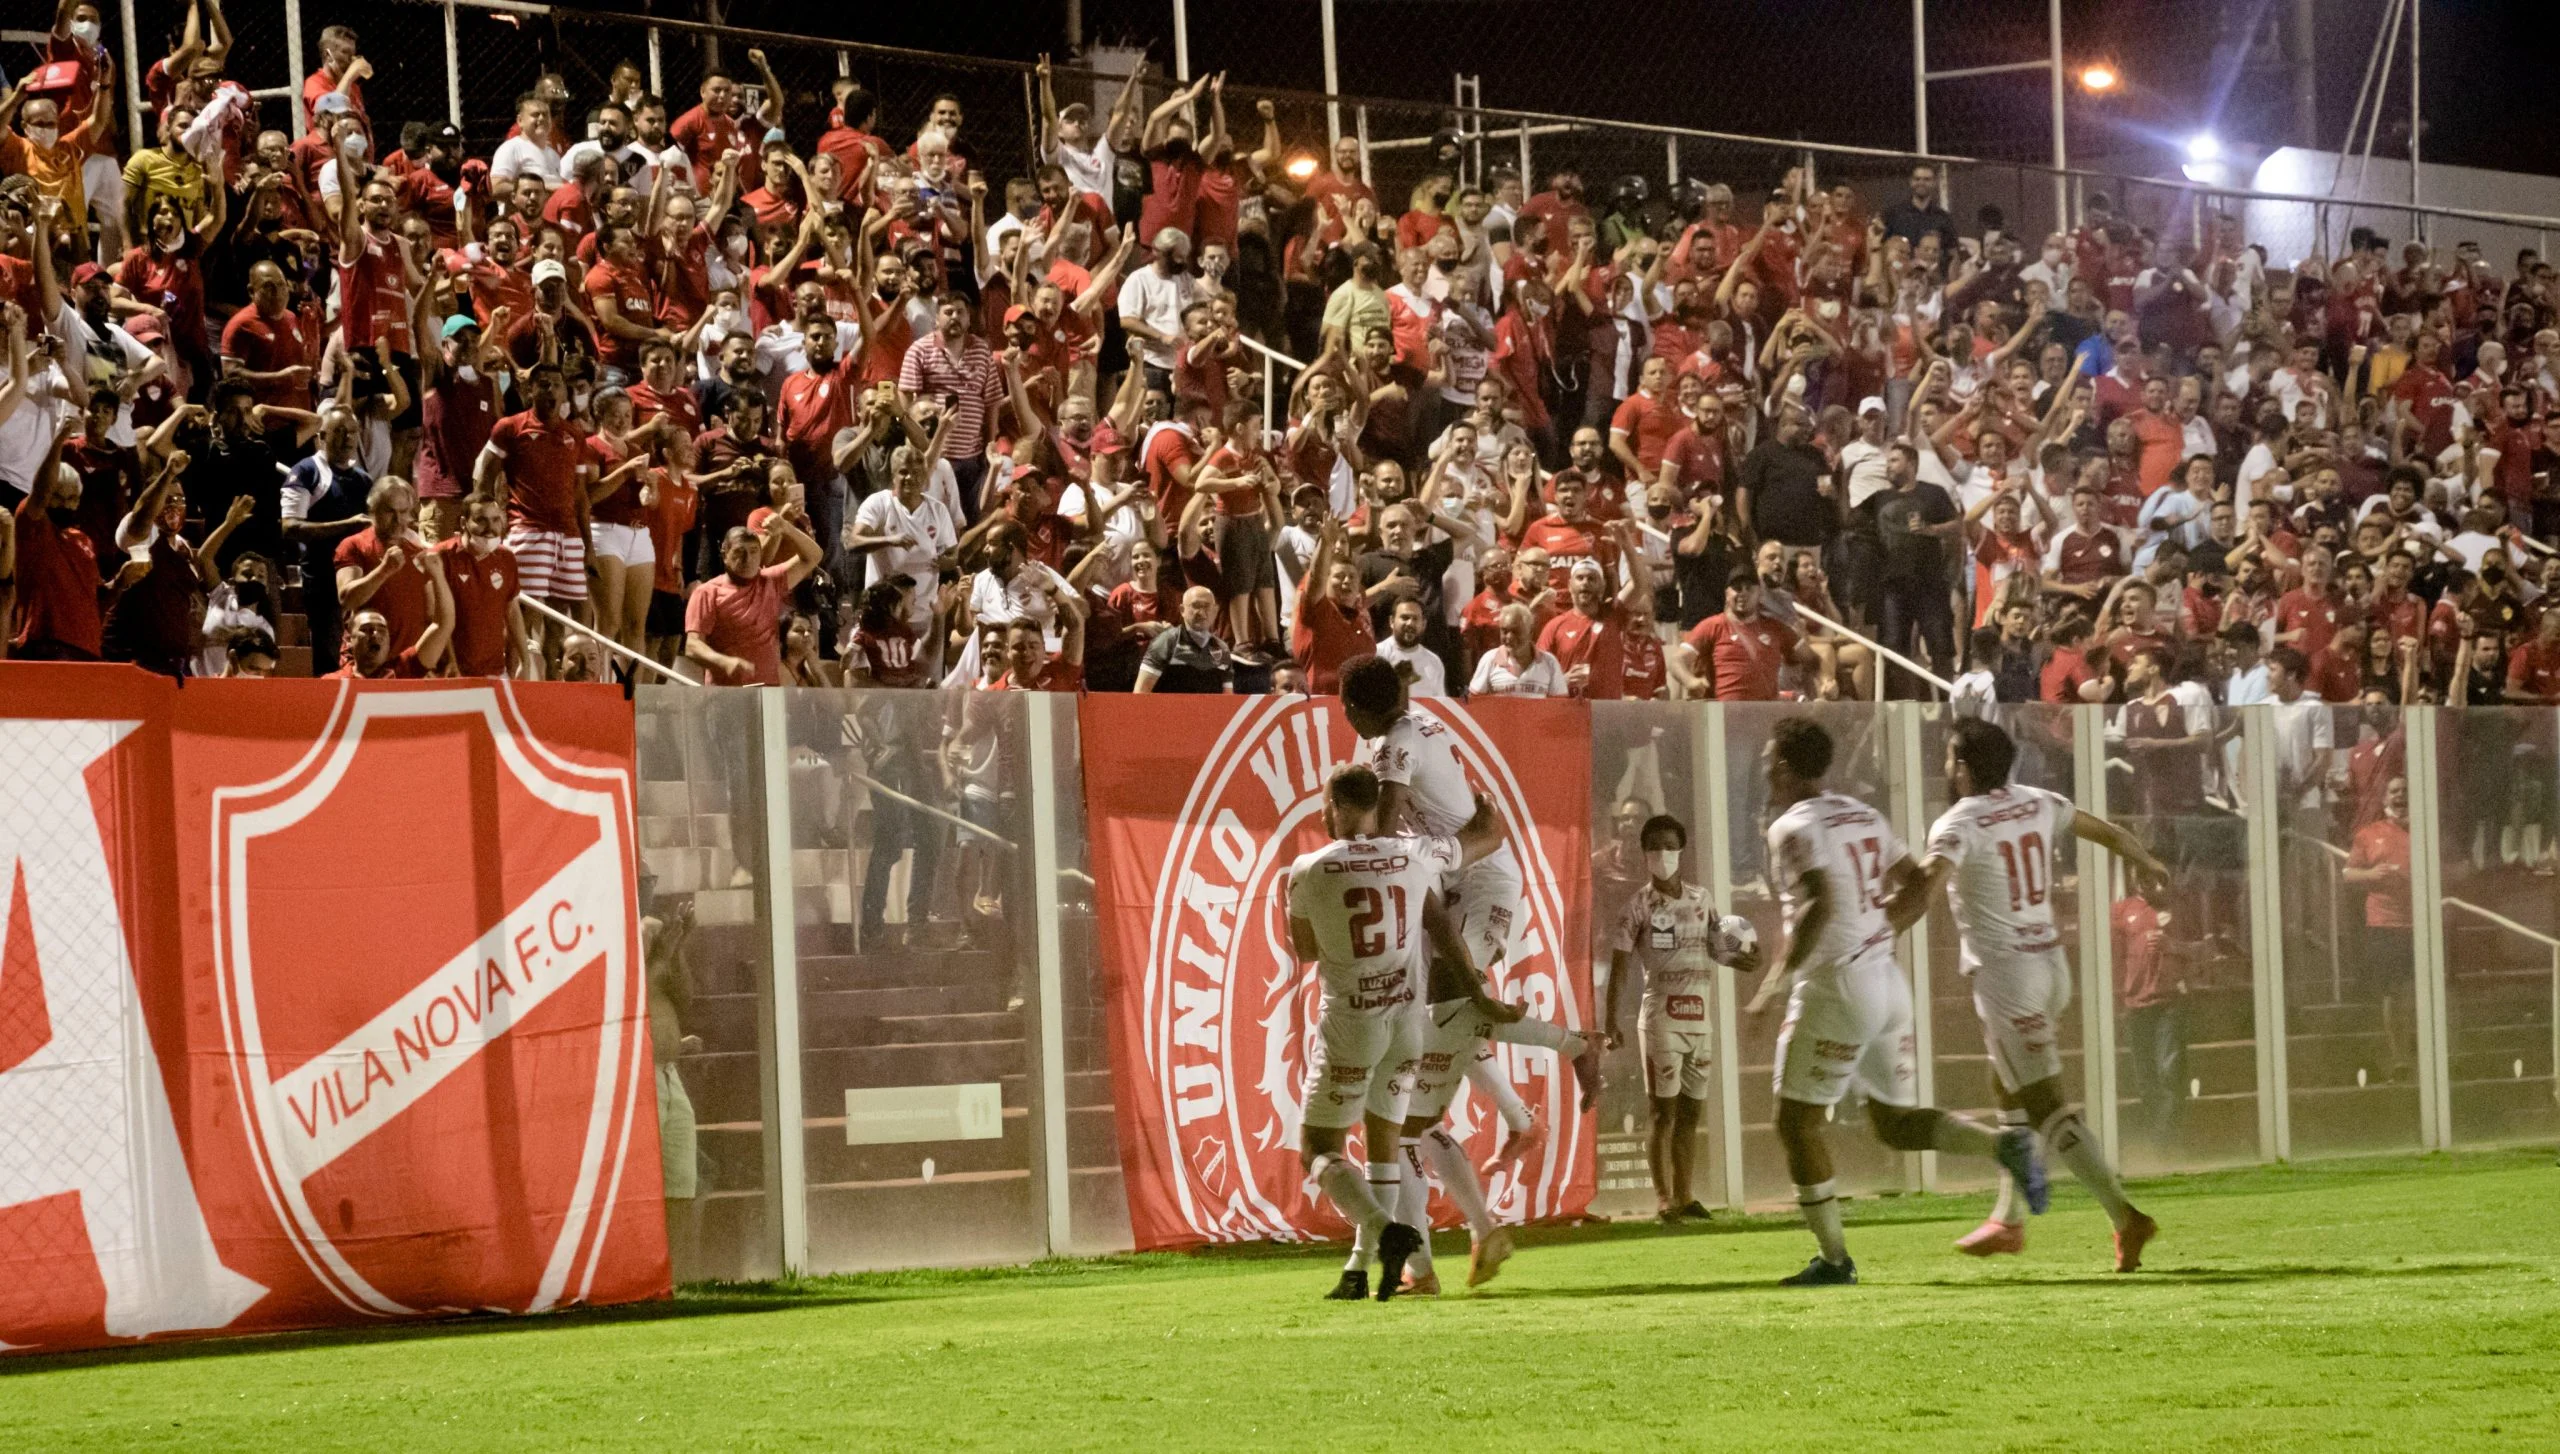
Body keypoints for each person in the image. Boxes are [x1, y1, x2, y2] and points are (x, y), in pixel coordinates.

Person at [1745, 715, 2046, 1284]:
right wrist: (1879, 932)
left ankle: (1835, 1262)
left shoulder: (1791, 827)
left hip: (1837, 987)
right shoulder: (1863, 814)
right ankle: (2004, 1146)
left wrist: (1771, 986)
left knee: (1795, 1124)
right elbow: (1917, 881)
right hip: (1886, 982)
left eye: (1768, 757)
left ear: (1783, 764)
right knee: (1893, 1124)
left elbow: (1820, 904)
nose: (1764, 767)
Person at [1341, 655, 1598, 1293]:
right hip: (1460, 879)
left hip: (1482, 891)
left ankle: (1575, 1050)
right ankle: (1473, 1229)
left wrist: (1445, 847)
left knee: (1455, 1014)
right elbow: (1458, 824)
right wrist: (1468, 841)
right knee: (1415, 1116)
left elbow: (1398, 818)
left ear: (1354, 707)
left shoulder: (1395, 752)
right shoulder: (1405, 734)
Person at [1893, 717, 2169, 1271]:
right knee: (2008, 1087)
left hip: (2009, 976)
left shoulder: (1958, 821)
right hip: (2048, 965)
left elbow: (1925, 889)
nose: (1946, 769)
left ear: (1963, 767)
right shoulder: (2039, 800)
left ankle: (2125, 1217)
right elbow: (2111, 833)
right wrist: (2147, 861)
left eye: (1950, 760)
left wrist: (1875, 932)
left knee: (2046, 1105)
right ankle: (2008, 1218)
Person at [1287, 762, 1504, 1303]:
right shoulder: (1411, 856)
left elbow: (1306, 950)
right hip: (1408, 1025)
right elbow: (1478, 846)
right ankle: (1360, 1268)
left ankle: (1387, 1235)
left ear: (1335, 806)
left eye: (1324, 804)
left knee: (1317, 1146)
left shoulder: (1308, 868)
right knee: (1383, 1144)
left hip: (1352, 1023)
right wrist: (1486, 811)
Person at [1603, 813, 1761, 1223]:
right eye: (1654, 846)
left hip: (1700, 1019)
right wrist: (1610, 1021)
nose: (1663, 853)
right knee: (1662, 1112)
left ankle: (1686, 1196)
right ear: (1644, 854)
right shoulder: (1636, 906)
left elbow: (1719, 948)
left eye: (1670, 845)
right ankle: (1663, 1199)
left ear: (1682, 850)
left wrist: (1746, 960)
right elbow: (1619, 966)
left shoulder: (1702, 899)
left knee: (1691, 1113)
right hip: (1660, 1019)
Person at [683, 515, 821, 686]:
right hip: (726, 692)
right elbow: (692, 646)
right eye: (740, 552)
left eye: (754, 551)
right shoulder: (707, 592)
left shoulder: (771, 580)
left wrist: (786, 527)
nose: (748, 559)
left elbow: (813, 556)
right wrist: (723, 662)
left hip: (768, 688)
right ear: (725, 554)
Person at [1133, 584, 1233, 693]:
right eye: (1196, 605)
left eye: (1206, 606)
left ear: (1215, 610)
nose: (1201, 612)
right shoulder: (1165, 642)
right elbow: (1141, 692)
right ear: (1182, 610)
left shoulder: (1222, 648)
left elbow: (1227, 698)